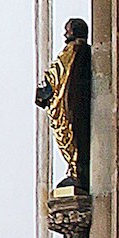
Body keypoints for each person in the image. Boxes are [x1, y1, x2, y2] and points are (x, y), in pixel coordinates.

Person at [36, 19, 92, 195]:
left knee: (69, 134)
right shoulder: (82, 52)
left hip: (68, 105)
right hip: (73, 103)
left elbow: (55, 75)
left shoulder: (72, 51)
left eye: (67, 31)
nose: (65, 35)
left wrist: (43, 92)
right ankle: (75, 170)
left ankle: (76, 170)